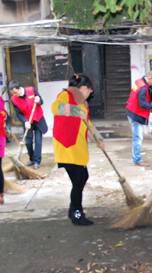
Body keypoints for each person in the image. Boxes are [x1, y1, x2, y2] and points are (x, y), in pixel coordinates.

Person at [51, 74, 105, 226]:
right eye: (89, 89)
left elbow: (88, 124)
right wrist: (75, 111)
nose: (90, 92)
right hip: (67, 147)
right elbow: (55, 107)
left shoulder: (83, 103)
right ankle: (77, 214)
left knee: (82, 178)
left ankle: (72, 210)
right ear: (83, 88)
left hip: (77, 147)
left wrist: (98, 139)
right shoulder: (65, 95)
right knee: (78, 181)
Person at [9, 80, 48, 170]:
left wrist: (38, 100)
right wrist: (25, 121)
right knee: (28, 142)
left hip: (38, 118)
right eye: (12, 93)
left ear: (19, 89)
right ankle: (32, 159)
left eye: (15, 92)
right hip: (27, 121)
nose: (14, 94)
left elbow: (41, 101)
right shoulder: (13, 99)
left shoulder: (31, 90)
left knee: (38, 140)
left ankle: (37, 161)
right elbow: (18, 113)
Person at [126, 70, 152, 167]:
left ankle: (137, 158)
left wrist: (151, 86)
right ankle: (137, 160)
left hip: (131, 110)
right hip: (135, 114)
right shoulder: (143, 89)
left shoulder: (139, 81)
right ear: (149, 78)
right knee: (138, 138)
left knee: (137, 137)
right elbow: (143, 104)